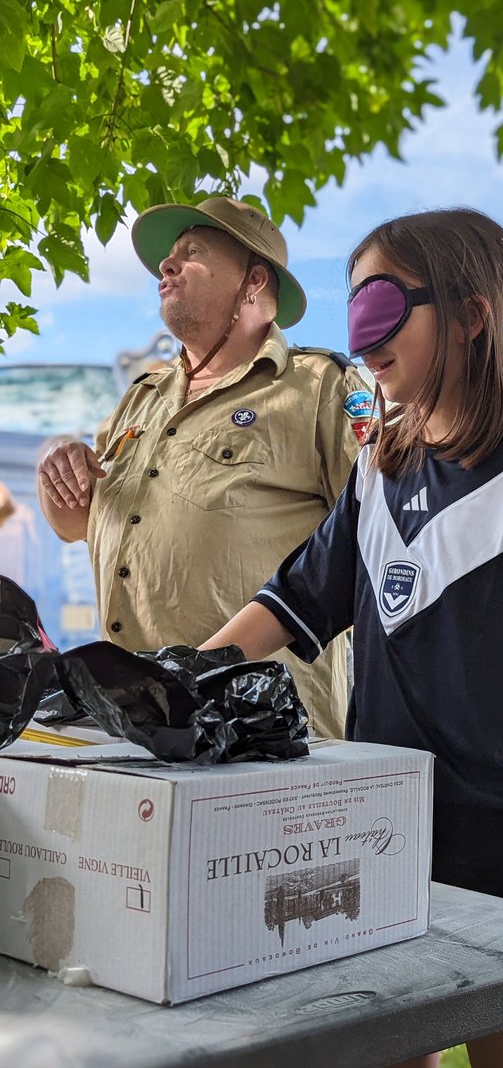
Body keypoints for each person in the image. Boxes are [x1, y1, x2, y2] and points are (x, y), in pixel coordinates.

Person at [198, 207, 503, 1068]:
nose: (365, 339)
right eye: (355, 309)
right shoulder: (377, 466)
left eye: (384, 308)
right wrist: (173, 679)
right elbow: (293, 602)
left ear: (471, 316)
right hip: (384, 844)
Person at [37, 195, 372, 744]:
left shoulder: (320, 388)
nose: (166, 267)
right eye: (169, 256)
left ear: (253, 281)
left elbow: (376, 539)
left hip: (264, 733)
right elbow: (73, 524)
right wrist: (60, 469)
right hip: (135, 724)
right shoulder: (141, 398)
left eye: (191, 253)